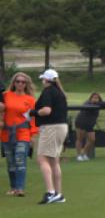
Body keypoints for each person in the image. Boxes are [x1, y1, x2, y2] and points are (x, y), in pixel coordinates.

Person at [30, 68, 68, 204]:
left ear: (46, 80)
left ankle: (50, 192)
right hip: (61, 127)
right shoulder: (60, 92)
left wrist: (33, 113)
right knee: (53, 161)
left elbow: (46, 110)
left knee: (42, 158)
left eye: (43, 79)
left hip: (52, 127)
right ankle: (58, 194)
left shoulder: (48, 91)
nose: (42, 81)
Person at [1, 72, 38, 196]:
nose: (20, 84)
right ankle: (13, 187)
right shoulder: (5, 96)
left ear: (26, 84)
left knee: (20, 159)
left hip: (23, 133)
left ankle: (20, 188)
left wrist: (33, 135)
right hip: (6, 133)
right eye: (18, 81)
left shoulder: (30, 100)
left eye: (23, 82)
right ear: (14, 83)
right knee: (11, 162)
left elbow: (33, 119)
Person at [74, 92, 105, 161]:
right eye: (94, 97)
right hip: (81, 122)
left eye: (97, 98)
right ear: (91, 98)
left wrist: (96, 103)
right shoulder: (87, 103)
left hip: (90, 125)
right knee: (80, 139)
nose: (95, 99)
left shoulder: (99, 104)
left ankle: (84, 153)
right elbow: (85, 106)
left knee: (92, 140)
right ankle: (78, 156)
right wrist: (94, 103)